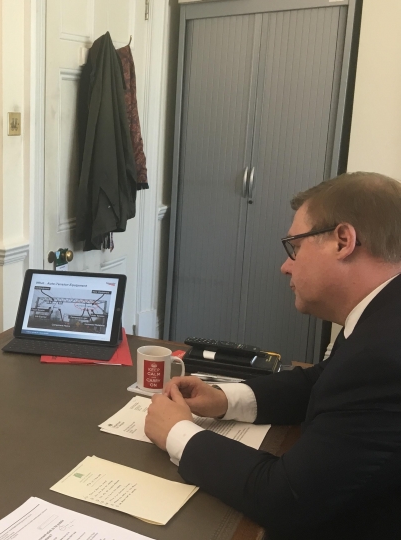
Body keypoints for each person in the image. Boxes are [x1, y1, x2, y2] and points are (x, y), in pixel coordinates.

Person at [144, 172, 401, 539]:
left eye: (295, 247)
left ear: (343, 241)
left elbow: (285, 498)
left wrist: (176, 433)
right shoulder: (384, 313)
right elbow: (325, 380)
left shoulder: (384, 354)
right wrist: (224, 399)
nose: (286, 266)